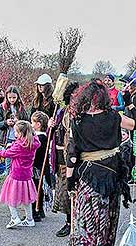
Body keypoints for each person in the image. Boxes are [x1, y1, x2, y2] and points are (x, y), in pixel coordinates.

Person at [65, 79, 135, 246]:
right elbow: (134, 124)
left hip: (89, 175)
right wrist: (128, 103)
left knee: (91, 217)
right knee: (107, 214)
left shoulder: (77, 121)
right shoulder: (114, 116)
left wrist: (70, 181)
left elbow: (72, 155)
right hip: (112, 171)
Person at [0, 120, 41, 229]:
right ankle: (30, 219)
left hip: (16, 175)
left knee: (11, 197)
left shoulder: (19, 146)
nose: (15, 134)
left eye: (16, 132)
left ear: (20, 133)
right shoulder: (33, 142)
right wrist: (13, 143)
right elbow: (19, 145)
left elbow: (6, 154)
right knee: (27, 199)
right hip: (27, 175)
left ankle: (15, 218)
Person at [51, 81, 79, 237]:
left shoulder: (82, 113)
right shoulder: (61, 112)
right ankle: (68, 223)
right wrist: (51, 126)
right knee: (65, 191)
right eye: (73, 95)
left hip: (76, 158)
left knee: (76, 190)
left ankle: (77, 223)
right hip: (62, 156)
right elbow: (55, 133)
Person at [0, 85, 29, 174]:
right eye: (10, 97)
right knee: (8, 164)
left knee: (19, 163)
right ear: (6, 97)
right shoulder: (2, 107)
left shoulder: (21, 108)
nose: (12, 100)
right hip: (7, 138)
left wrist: (19, 122)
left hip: (20, 139)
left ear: (18, 97)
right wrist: (6, 123)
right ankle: (9, 182)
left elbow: (27, 122)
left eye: (14, 97)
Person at [30, 111, 50, 222]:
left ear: (38, 124)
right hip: (41, 166)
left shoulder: (39, 138)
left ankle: (35, 211)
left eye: (32, 122)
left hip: (36, 167)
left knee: (34, 189)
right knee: (39, 188)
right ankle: (40, 210)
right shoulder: (43, 137)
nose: (31, 125)